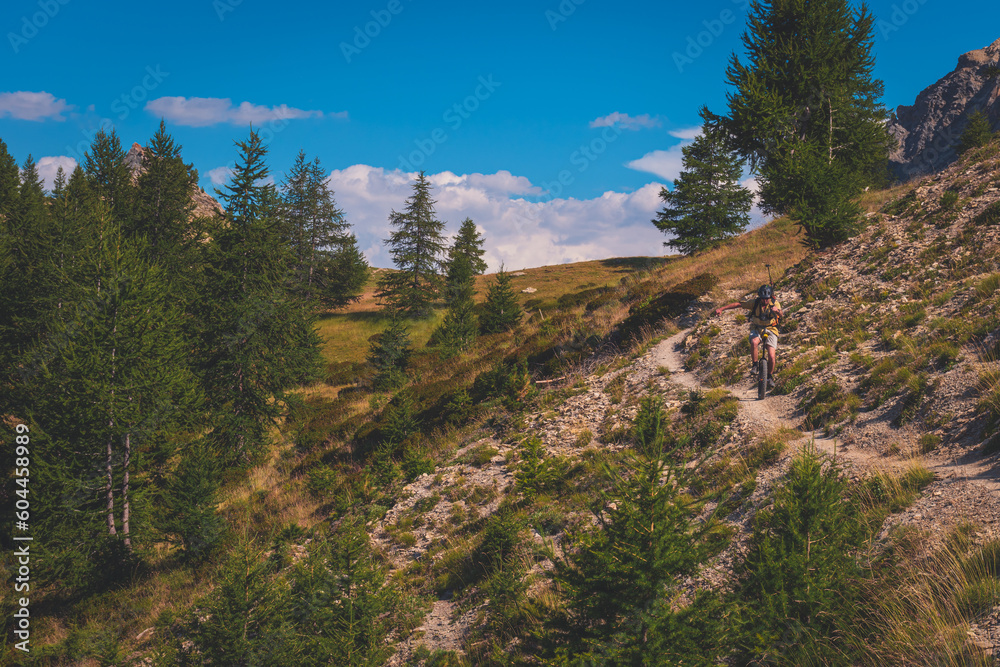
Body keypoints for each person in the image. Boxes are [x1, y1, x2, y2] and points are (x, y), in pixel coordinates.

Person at [714, 285, 783, 387]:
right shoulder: (754, 303)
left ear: (770, 297)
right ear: (760, 297)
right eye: (763, 299)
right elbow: (738, 304)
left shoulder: (775, 303)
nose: (765, 301)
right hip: (756, 328)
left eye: (767, 299)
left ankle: (769, 376)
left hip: (771, 329)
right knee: (754, 342)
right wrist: (721, 308)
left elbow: (781, 315)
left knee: (772, 356)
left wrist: (777, 311)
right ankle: (755, 365)